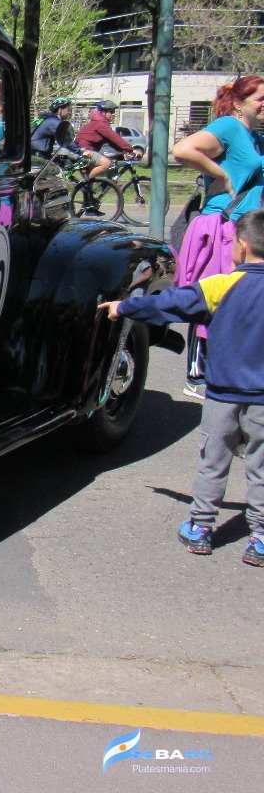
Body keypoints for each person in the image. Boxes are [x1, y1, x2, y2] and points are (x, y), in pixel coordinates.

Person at [98, 208, 264, 568]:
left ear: (243, 245)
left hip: (222, 394)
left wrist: (125, 306)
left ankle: (201, 528)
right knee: (261, 465)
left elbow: (171, 304)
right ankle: (261, 538)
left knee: (212, 462)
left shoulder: (221, 285)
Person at [170, 75, 264, 399]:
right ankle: (197, 375)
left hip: (248, 228)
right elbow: (182, 149)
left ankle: (225, 370)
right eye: (260, 99)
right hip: (222, 228)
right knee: (214, 298)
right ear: (239, 103)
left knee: (237, 301)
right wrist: (220, 174)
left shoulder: (254, 137)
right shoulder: (229, 127)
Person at [74, 100, 136, 214]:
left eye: (114, 112)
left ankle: (90, 206)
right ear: (103, 112)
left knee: (110, 166)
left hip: (88, 151)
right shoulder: (100, 123)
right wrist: (131, 149)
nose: (113, 114)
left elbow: (112, 141)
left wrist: (124, 152)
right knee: (106, 163)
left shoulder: (100, 123)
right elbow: (115, 138)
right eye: (111, 112)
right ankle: (86, 182)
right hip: (84, 151)